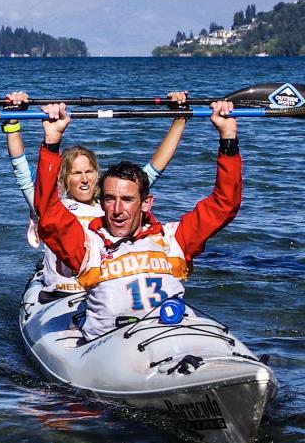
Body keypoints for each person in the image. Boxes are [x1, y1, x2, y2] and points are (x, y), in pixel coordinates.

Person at [33, 100, 240, 340]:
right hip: (108, 346)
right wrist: (52, 141)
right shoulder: (88, 247)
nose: (118, 209)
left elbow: (225, 205)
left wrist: (228, 137)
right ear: (101, 202)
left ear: (145, 203)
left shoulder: (174, 239)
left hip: (169, 336)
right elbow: (48, 213)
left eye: (128, 199)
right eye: (110, 199)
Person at [2, 91, 189, 300]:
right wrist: (12, 120)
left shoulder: (112, 204)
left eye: (89, 172)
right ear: (64, 177)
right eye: (76, 173)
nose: (85, 180)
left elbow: (155, 167)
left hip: (104, 291)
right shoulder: (49, 205)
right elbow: (19, 165)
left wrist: (180, 118)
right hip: (62, 294)